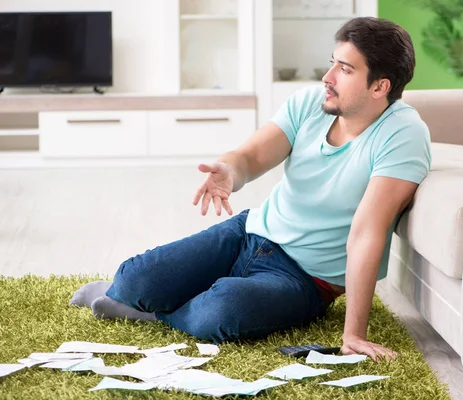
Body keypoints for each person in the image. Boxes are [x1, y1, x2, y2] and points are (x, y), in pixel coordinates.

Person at [70, 16, 431, 362]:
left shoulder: (402, 136)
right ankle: (137, 297)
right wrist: (230, 171)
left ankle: (156, 314)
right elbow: (253, 155)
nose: (328, 77)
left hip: (305, 279)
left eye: (345, 69)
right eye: (332, 63)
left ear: (380, 86)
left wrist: (353, 334)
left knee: (222, 310)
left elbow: (367, 233)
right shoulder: (311, 104)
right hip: (249, 232)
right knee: (136, 278)